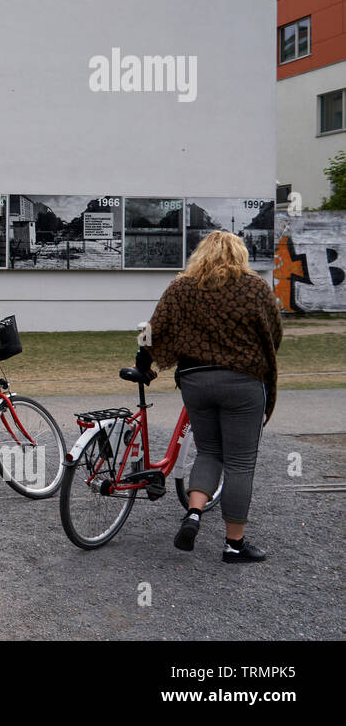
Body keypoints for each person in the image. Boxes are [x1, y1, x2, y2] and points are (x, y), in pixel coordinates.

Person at [136, 230, 282, 563]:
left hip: (195, 381)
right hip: (243, 383)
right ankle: (234, 545)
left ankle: (194, 514)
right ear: (240, 254)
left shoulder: (181, 287)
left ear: (201, 254)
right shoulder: (255, 287)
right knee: (240, 463)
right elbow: (274, 333)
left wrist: (142, 361)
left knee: (209, 452)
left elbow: (152, 328)